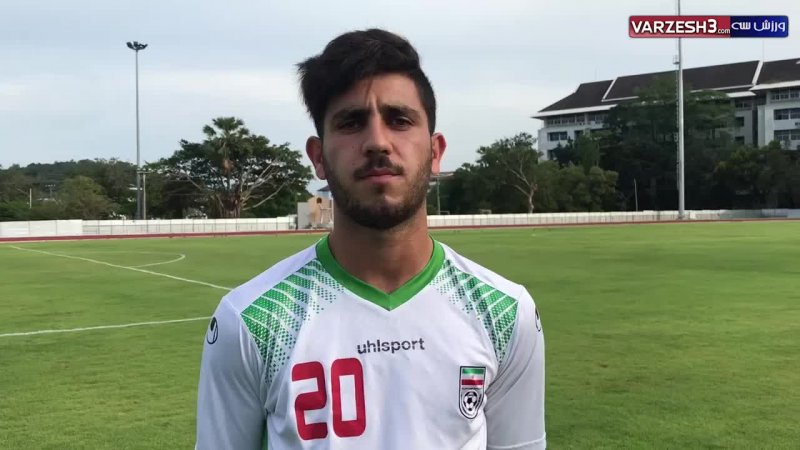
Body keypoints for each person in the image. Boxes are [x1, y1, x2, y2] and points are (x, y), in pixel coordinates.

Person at [195, 28, 546, 450]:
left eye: (399, 120)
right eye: (351, 122)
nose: (378, 141)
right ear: (318, 157)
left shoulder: (504, 312)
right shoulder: (252, 321)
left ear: (435, 151)